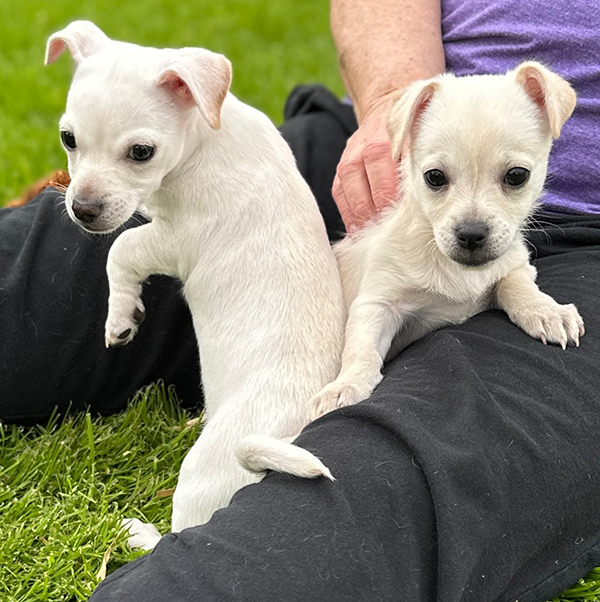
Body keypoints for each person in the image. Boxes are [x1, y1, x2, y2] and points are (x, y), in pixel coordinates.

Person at [2, 0, 600, 600]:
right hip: (381, 131)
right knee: (46, 278)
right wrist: (390, 102)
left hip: (579, 231)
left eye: (515, 177)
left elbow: (503, 265)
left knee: (367, 488)